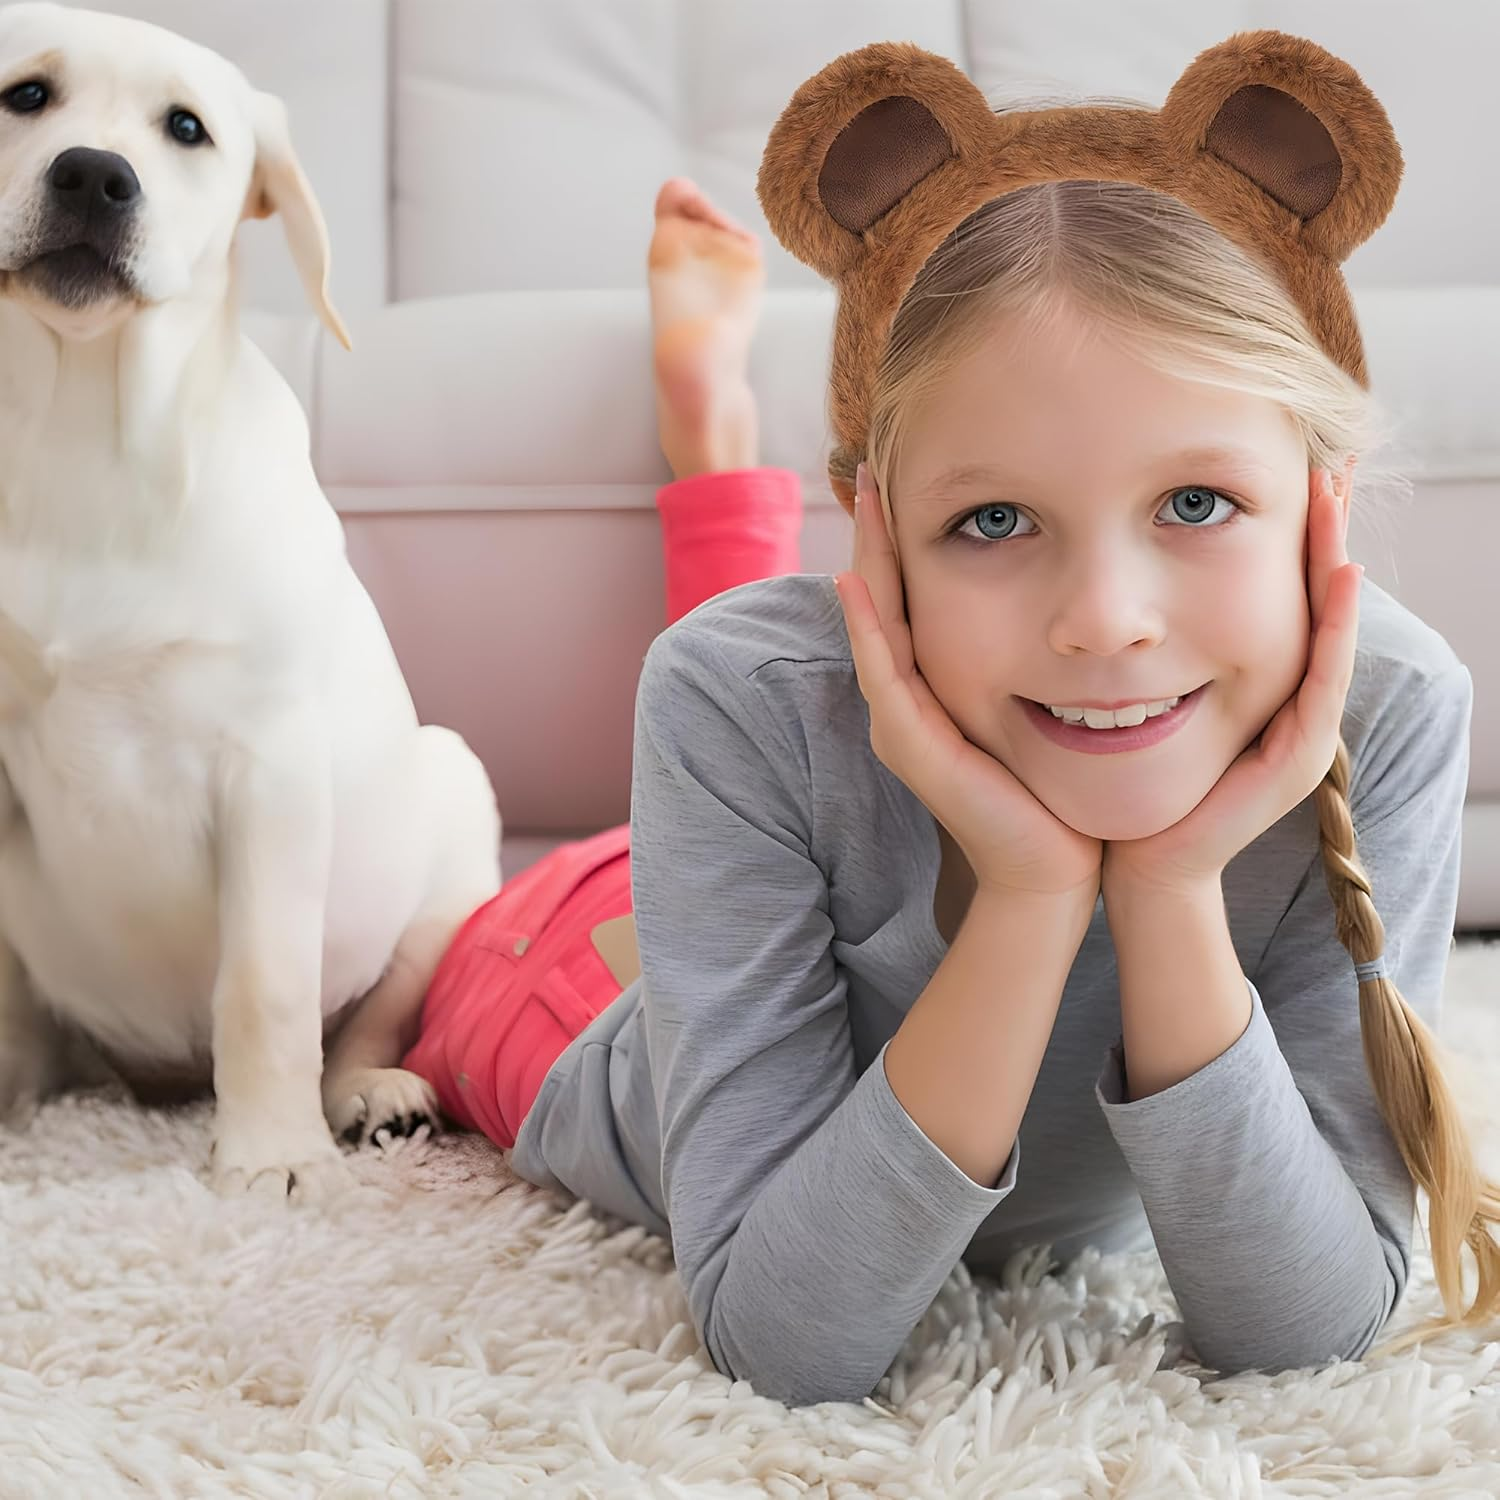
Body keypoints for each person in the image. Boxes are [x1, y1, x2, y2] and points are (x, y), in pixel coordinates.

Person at [392, 35, 1500, 1408]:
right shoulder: (735, 703)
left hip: (832, 777)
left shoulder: (1390, 703)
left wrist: (1168, 887)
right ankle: (714, 444)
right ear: (885, 543)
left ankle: (720, 448)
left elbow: (1307, 1327)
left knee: (823, 682)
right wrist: (1035, 893)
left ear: (1321, 503)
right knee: (732, 703)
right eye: (992, 519)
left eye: (1197, 504)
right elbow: (786, 1341)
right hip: (566, 970)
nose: (1107, 619)